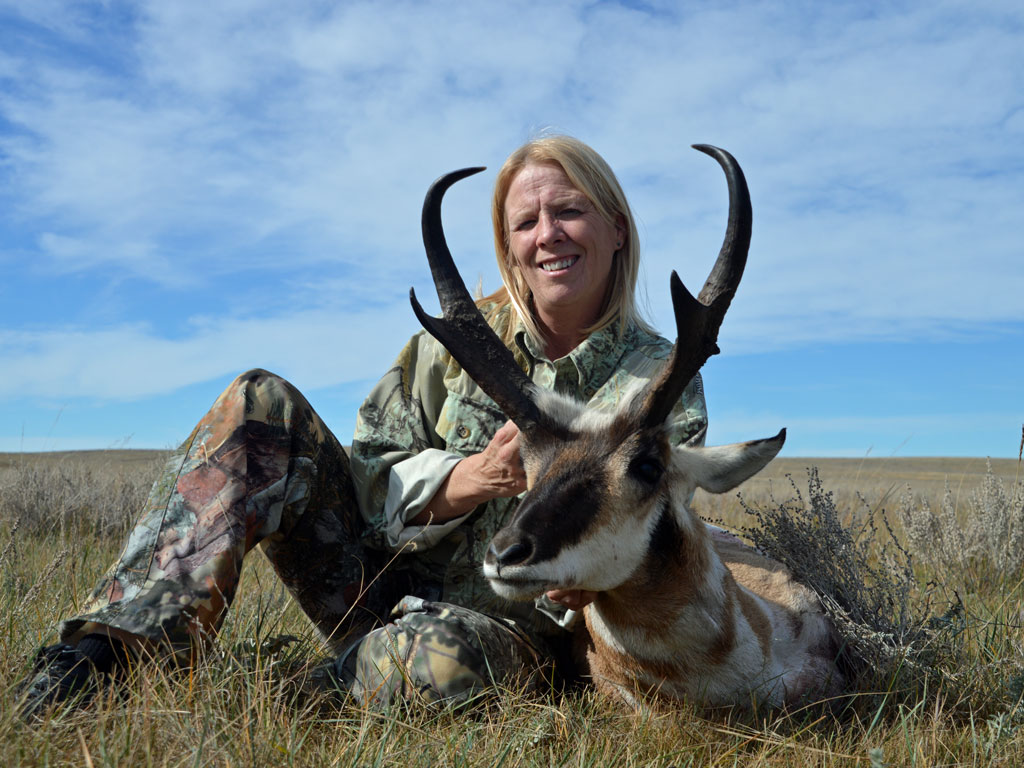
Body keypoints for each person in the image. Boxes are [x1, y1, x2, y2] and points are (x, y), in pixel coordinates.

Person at [16, 135, 708, 716]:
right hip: (375, 585)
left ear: (617, 228)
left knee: (448, 664)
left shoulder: (661, 384)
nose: (547, 234)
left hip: (512, 631)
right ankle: (107, 655)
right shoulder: (457, 342)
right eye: (525, 223)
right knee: (262, 405)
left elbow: (664, 545)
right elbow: (372, 467)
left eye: (570, 211)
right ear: (508, 246)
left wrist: (589, 574)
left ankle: (279, 696)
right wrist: (461, 481)